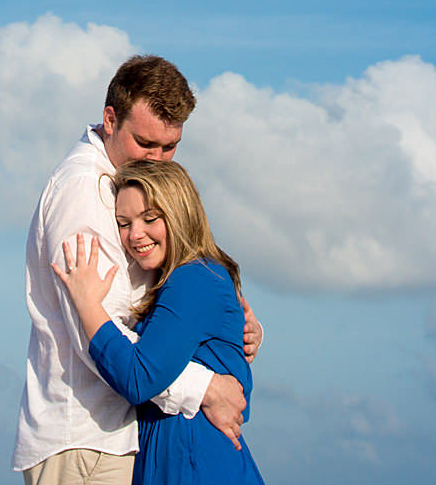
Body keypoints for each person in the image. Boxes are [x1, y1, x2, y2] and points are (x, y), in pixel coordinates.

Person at [13, 56, 262, 484]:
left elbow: (152, 311)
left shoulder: (127, 191)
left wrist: (228, 323)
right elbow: (96, 325)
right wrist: (204, 388)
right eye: (146, 143)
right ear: (110, 119)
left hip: (118, 436)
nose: (159, 159)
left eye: (170, 147)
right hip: (86, 439)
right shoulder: (84, 192)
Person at [52, 160, 264, 485]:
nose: (135, 235)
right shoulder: (180, 283)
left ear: (180, 215)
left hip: (197, 463)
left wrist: (87, 303)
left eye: (150, 218)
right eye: (124, 223)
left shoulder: (194, 279)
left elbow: (139, 377)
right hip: (173, 459)